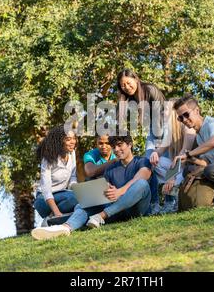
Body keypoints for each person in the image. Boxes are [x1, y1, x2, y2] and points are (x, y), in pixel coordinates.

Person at [31, 134, 152, 240]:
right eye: (114, 146)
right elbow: (106, 191)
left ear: (130, 144)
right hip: (116, 212)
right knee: (84, 203)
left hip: (136, 210)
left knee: (142, 184)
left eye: (120, 145)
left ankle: (101, 216)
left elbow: (142, 177)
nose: (116, 149)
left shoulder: (142, 161)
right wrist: (105, 192)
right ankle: (65, 228)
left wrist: (120, 191)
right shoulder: (110, 168)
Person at [116, 69, 166, 213]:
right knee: (148, 163)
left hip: (166, 127)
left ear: (136, 80)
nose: (126, 87)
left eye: (128, 82)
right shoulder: (128, 98)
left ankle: (170, 201)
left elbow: (162, 115)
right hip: (152, 130)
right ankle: (155, 204)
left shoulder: (149, 89)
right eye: (122, 85)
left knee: (164, 160)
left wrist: (159, 144)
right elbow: (120, 121)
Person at [148, 100, 196, 214]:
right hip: (179, 166)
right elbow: (161, 149)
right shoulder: (170, 131)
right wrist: (155, 153)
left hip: (190, 167)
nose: (163, 113)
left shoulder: (188, 129)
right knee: (151, 163)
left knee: (171, 176)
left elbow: (183, 156)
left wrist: (171, 176)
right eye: (163, 110)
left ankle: (173, 202)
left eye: (166, 110)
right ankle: (157, 203)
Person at [34, 125, 78, 225]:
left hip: (62, 194)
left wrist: (78, 190)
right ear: (59, 141)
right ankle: (54, 216)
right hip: (44, 199)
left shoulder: (72, 154)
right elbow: (46, 189)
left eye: (74, 138)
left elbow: (73, 177)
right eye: (68, 139)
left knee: (77, 197)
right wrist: (57, 213)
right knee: (74, 199)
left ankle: (50, 219)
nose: (73, 142)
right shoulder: (48, 158)